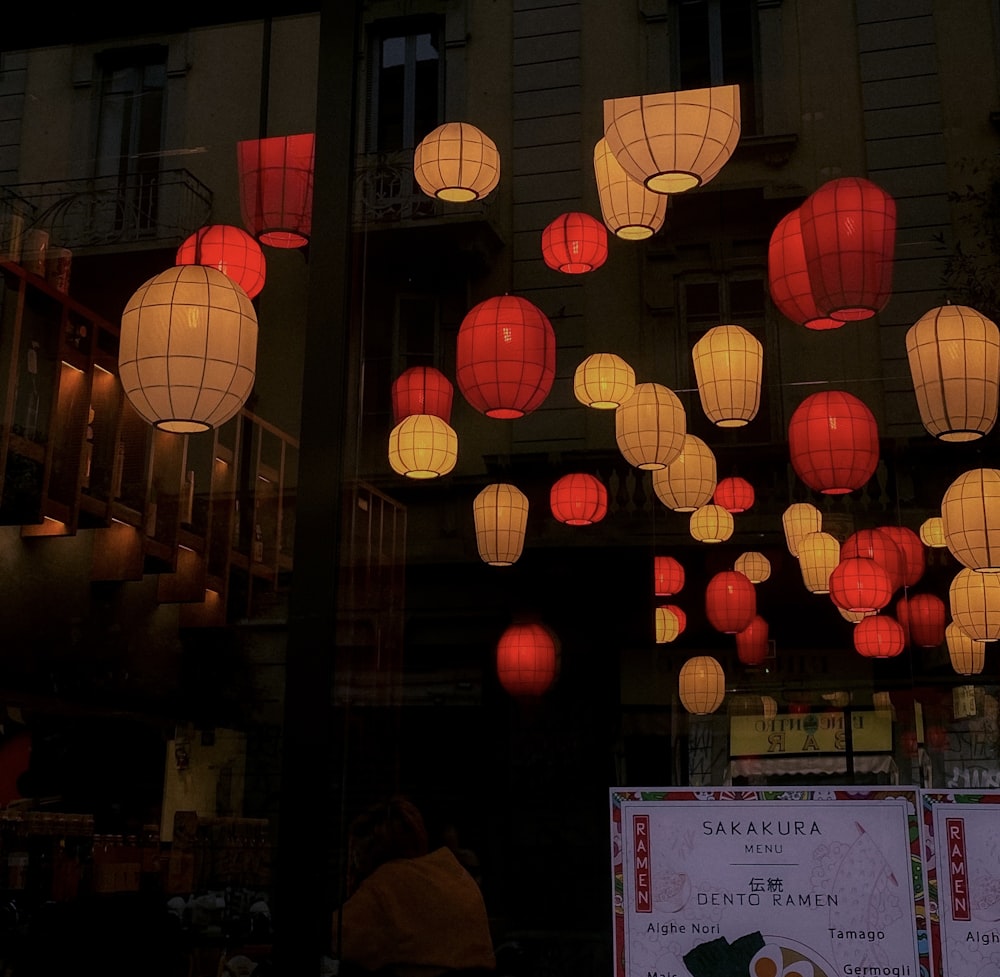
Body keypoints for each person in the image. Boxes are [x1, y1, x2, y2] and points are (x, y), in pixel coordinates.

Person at [331, 796, 496, 977]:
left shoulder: (383, 884)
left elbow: (336, 940)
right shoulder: (454, 873)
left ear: (365, 851)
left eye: (355, 854)